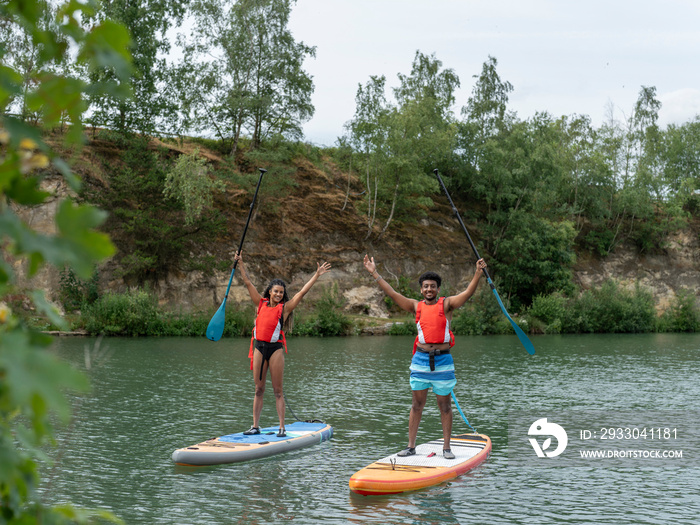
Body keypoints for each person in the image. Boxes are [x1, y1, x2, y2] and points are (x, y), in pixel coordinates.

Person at [363, 254, 487, 459]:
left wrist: (477, 273)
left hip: (443, 361)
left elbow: (467, 293)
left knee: (445, 406)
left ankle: (446, 448)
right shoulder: (415, 306)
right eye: (425, 286)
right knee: (416, 405)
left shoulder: (447, 305)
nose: (429, 289)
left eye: (433, 286)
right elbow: (392, 293)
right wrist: (374, 273)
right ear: (421, 289)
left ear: (438, 289)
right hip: (420, 361)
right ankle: (411, 447)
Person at [235, 252, 331, 437]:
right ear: (269, 292)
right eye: (275, 291)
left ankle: (281, 427)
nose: (278, 294)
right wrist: (241, 263)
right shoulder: (260, 303)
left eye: (281, 292)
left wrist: (317, 275)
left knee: (278, 391)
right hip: (259, 348)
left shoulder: (285, 309)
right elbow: (248, 283)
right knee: (258, 389)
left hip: (275, 350)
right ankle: (255, 426)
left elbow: (302, 292)